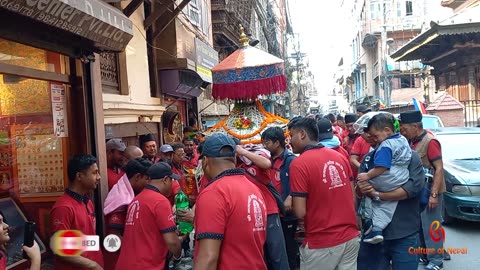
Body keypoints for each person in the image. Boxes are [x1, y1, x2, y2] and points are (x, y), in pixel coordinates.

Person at [354, 113, 424, 270]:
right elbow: (359, 190)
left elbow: (411, 189)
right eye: (368, 133)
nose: (369, 137)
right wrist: (362, 189)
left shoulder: (410, 157)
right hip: (373, 234)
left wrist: (377, 195)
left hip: (404, 232)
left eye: (373, 134)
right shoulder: (368, 158)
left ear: (387, 131)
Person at [288, 117, 359, 270]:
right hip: (350, 237)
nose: (289, 141)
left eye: (291, 135)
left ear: (301, 134)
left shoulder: (299, 164)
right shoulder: (340, 156)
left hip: (322, 242)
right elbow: (353, 198)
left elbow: (300, 212)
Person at [194, 133, 267, 270]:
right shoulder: (253, 188)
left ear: (204, 161)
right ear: (234, 158)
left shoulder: (214, 193)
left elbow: (208, 258)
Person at [399, 110, 447, 270]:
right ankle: (426, 255)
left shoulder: (430, 141)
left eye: (404, 128)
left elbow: (439, 169)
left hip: (430, 190)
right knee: (419, 224)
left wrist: (434, 195)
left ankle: (437, 260)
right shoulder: (411, 142)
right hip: (418, 190)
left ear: (415, 126)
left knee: (431, 225)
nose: (402, 132)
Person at [116, 162, 183, 270]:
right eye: (172, 180)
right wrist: (178, 255)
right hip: (147, 265)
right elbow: (172, 242)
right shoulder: (160, 201)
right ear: (165, 179)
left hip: (126, 264)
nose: (173, 183)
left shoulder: (136, 199)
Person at [357, 113, 412, 244]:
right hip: (402, 176)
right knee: (386, 207)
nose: (374, 139)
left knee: (371, 199)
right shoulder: (403, 141)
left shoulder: (385, 146)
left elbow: (382, 167)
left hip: (387, 179)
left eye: (375, 136)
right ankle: (377, 229)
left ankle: (372, 226)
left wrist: (368, 178)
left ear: (387, 130)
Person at [236, 143, 289, 270]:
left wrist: (243, 152)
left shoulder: (257, 154)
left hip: (269, 211)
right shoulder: (235, 165)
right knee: (258, 254)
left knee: (277, 252)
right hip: (249, 214)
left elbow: (266, 164)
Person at [50, 155, 104, 270]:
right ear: (79, 176)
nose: (99, 177)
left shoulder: (87, 202)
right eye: (94, 173)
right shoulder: (63, 207)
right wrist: (93, 265)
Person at [103, 158, 152, 270]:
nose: (149, 183)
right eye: (147, 179)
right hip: (118, 260)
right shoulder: (121, 201)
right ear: (137, 177)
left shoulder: (130, 191)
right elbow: (113, 238)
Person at [261, 127, 298, 270]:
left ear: (277, 143)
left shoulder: (291, 161)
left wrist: (291, 196)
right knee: (272, 252)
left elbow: (299, 183)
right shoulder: (265, 159)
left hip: (287, 214)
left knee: (288, 251)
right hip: (271, 213)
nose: (264, 146)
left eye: (267, 142)